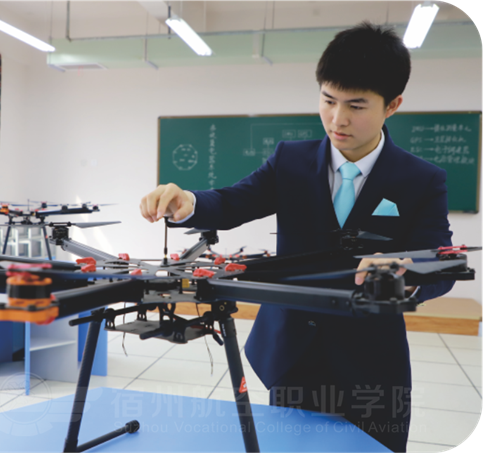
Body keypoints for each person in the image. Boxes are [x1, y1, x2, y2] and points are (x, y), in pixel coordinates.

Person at [140, 22, 454, 452]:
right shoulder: (290, 160)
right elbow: (234, 201)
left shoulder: (421, 179)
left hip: (372, 361)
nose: (337, 119)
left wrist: (407, 270)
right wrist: (188, 201)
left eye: (356, 105)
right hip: (293, 353)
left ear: (392, 105)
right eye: (328, 100)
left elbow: (441, 260)